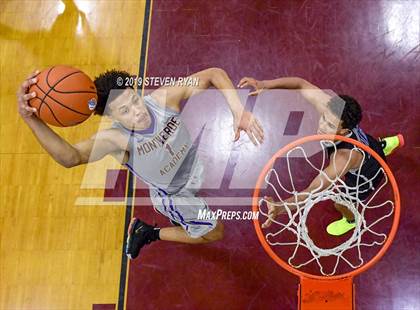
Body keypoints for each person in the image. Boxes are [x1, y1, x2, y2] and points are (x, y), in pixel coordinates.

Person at [17, 68, 264, 259]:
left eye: (135, 100)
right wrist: (31, 120)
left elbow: (214, 74)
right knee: (215, 232)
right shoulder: (115, 139)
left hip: (192, 168)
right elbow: (70, 157)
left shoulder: (162, 100)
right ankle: (147, 232)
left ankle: (175, 220)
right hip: (174, 194)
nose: (137, 111)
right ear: (112, 118)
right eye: (125, 110)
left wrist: (237, 111)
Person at [238, 76, 403, 236]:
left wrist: (281, 207)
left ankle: (351, 220)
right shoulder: (333, 108)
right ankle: (384, 146)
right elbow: (301, 84)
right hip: (369, 145)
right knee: (371, 146)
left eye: (330, 125)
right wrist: (264, 84)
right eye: (324, 118)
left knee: (340, 203)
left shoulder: (343, 158)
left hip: (367, 173)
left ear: (344, 131)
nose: (322, 126)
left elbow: (312, 190)